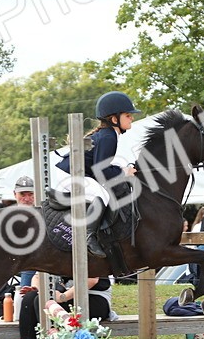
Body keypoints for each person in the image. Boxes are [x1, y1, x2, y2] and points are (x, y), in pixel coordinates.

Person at [55, 91, 141, 258]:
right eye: (128, 115)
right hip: (69, 175)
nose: (132, 118)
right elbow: (100, 170)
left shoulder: (108, 134)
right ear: (114, 119)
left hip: (72, 172)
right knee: (102, 195)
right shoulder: (109, 136)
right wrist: (124, 172)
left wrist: (122, 170)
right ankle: (88, 237)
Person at [17, 274, 113, 339]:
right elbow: (37, 277)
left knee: (40, 301)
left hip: (94, 298)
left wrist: (63, 297)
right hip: (66, 295)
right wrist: (38, 289)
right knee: (30, 297)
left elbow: (92, 279)